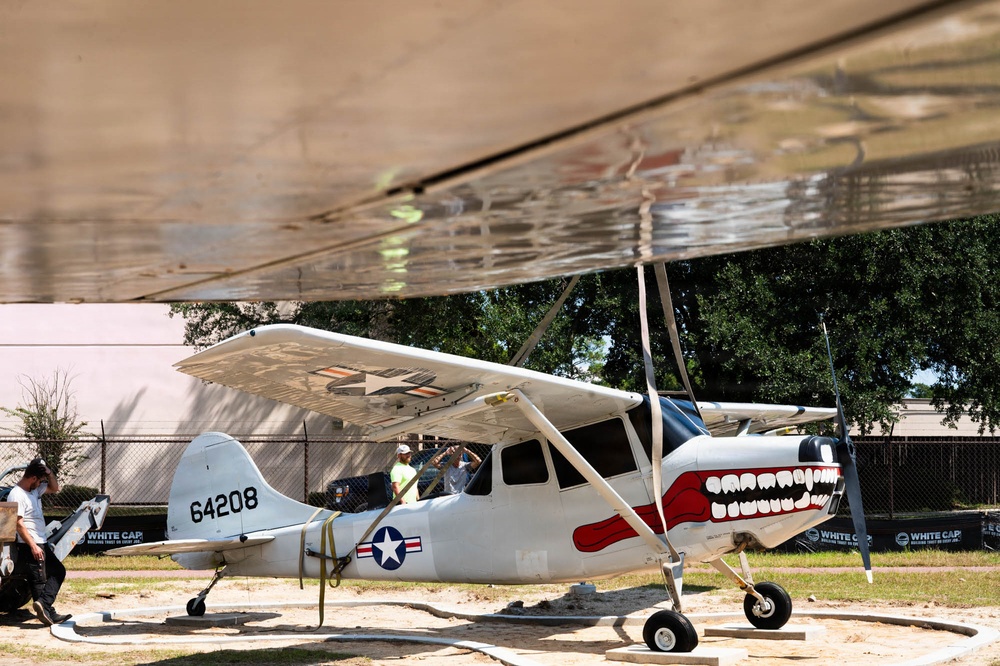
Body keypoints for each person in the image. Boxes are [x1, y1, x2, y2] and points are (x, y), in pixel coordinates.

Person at [9, 457, 71, 626]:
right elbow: (18, 524)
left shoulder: (34, 491)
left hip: (40, 541)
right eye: (41, 480)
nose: (42, 483)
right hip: (30, 544)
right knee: (40, 578)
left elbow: (55, 487)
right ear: (33, 478)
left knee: (51, 574)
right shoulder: (17, 494)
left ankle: (46, 608)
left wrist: (49, 472)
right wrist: (33, 546)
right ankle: (46, 609)